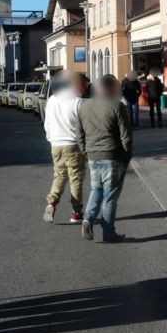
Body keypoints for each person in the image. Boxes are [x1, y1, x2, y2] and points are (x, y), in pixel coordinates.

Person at [77, 74, 133, 243]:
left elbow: (79, 135)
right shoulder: (117, 106)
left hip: (93, 155)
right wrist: (127, 156)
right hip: (112, 156)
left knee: (97, 189)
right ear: (111, 88)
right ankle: (109, 233)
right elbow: (126, 136)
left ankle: (88, 218)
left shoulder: (83, 107)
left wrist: (86, 153)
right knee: (109, 197)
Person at [43, 72, 86, 224]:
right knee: (75, 179)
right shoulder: (78, 102)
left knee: (59, 176)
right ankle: (76, 213)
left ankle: (52, 202)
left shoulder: (52, 100)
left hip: (56, 143)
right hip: (73, 144)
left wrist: (50, 138)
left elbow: (46, 122)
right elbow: (83, 127)